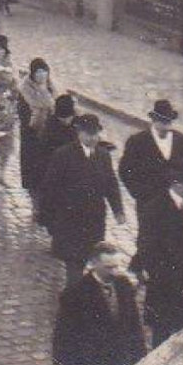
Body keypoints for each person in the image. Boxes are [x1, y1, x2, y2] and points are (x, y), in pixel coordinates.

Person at [131, 164, 183, 345]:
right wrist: (156, 273)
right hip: (164, 283)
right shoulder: (156, 207)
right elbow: (145, 244)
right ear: (174, 184)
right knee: (162, 331)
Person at [40, 113, 126, 274]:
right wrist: (49, 218)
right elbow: (50, 188)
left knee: (92, 259)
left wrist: (118, 211)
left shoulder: (103, 155)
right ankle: (73, 296)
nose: (93, 138)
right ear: (79, 133)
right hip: (70, 219)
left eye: (95, 134)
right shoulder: (63, 155)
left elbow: (111, 185)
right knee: (74, 265)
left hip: (94, 220)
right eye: (88, 134)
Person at [52, 242, 147, 365]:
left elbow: (135, 327)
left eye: (116, 266)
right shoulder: (75, 294)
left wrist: (141, 362)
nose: (114, 272)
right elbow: (63, 342)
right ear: (94, 264)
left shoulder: (123, 284)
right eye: (109, 268)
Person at [118, 99, 183, 209]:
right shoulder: (137, 141)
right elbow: (125, 170)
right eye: (162, 122)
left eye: (168, 122)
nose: (166, 127)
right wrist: (139, 194)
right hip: (148, 204)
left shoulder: (180, 140)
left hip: (174, 204)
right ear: (154, 120)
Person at [17, 58, 57, 206]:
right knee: (33, 170)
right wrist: (36, 117)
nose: (41, 75)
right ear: (32, 74)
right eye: (38, 72)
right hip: (31, 136)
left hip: (49, 136)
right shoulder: (25, 90)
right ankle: (35, 203)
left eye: (44, 71)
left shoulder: (52, 88)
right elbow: (23, 114)